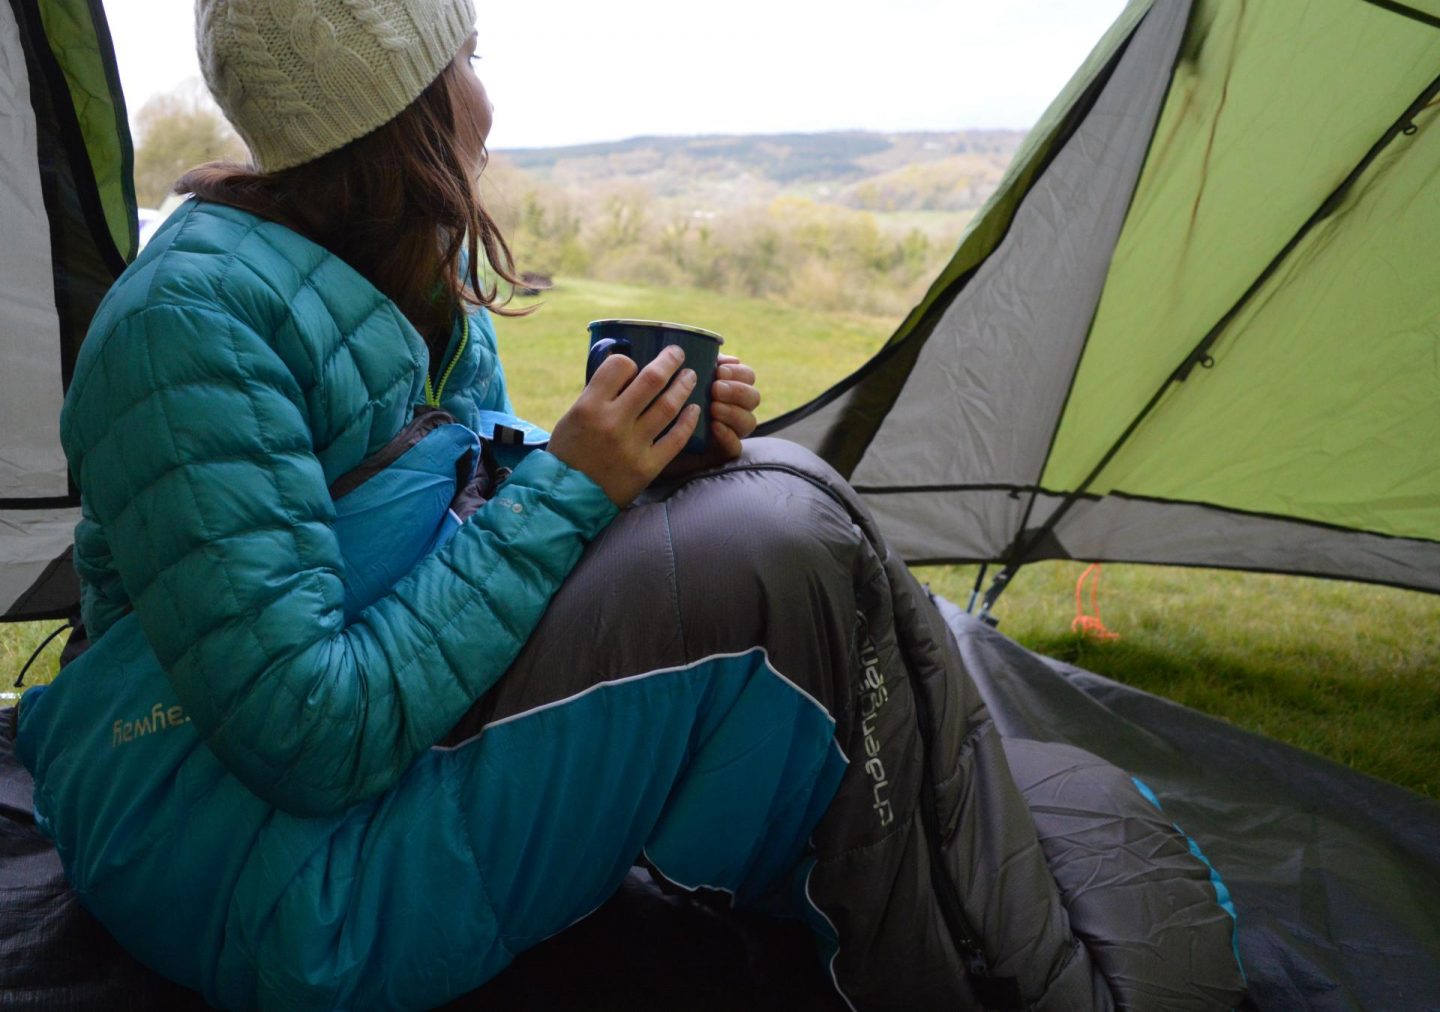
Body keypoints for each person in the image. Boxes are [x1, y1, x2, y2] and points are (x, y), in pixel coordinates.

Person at [16, 1, 1248, 1009]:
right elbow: (306, 729)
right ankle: (1009, 968)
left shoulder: (403, 275)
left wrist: (638, 459)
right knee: (778, 544)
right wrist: (573, 484)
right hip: (259, 874)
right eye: (468, 57)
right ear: (399, 104)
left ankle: (981, 902)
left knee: (777, 505)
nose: (488, 99)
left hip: (377, 779)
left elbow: (460, 526)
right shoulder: (189, 328)